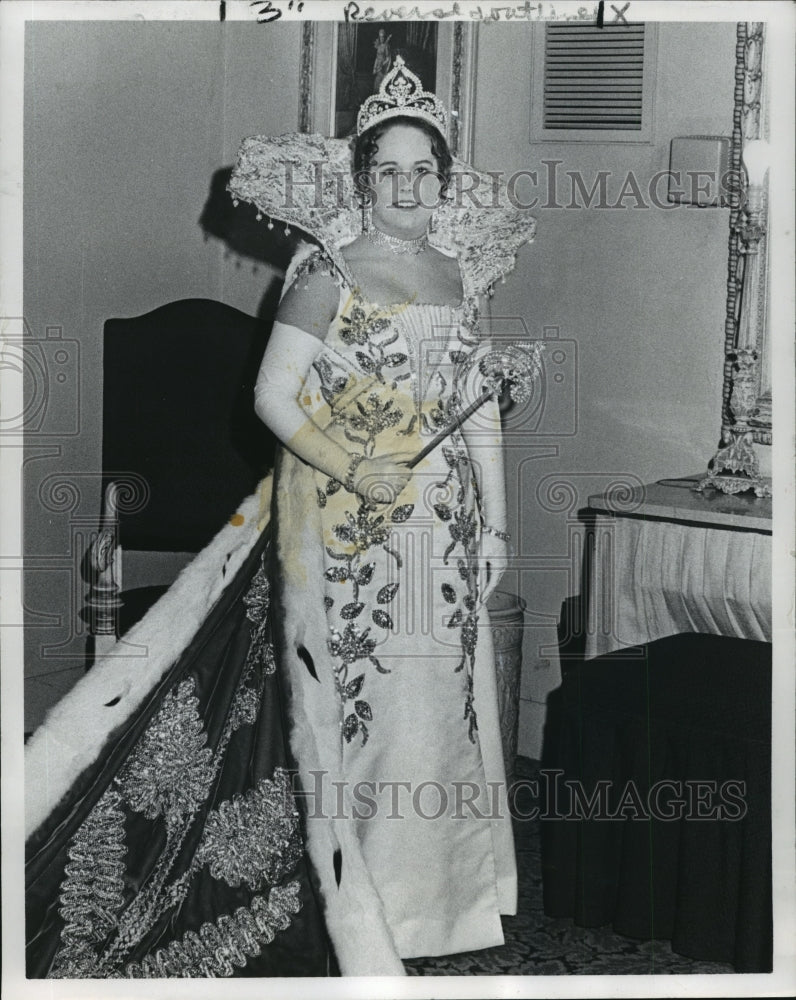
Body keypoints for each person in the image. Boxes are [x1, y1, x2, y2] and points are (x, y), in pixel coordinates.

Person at [24, 56, 536, 977]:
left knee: (439, 710)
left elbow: (480, 405)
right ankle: (361, 905)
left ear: (443, 182)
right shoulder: (326, 274)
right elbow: (271, 396)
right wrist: (355, 465)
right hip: (351, 528)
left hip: (445, 529)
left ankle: (441, 907)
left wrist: (497, 525)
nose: (408, 185)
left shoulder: (460, 276)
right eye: (390, 170)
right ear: (365, 181)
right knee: (370, 712)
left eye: (425, 169)